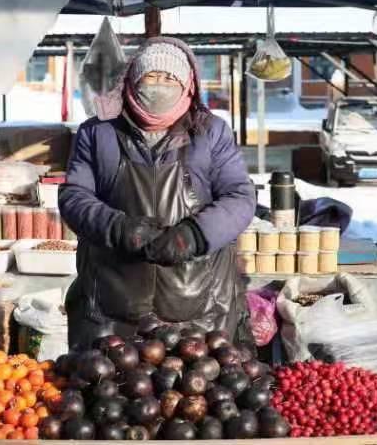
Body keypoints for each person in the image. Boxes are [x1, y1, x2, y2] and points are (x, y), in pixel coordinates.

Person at [59, 37, 256, 349]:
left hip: (198, 303)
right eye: (152, 76)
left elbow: (240, 196)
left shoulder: (211, 132)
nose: (160, 85)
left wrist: (193, 235)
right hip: (112, 303)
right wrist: (118, 228)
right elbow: (74, 196)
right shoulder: (97, 132)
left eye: (171, 78)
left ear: (188, 85)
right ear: (134, 78)